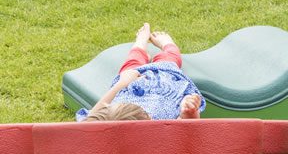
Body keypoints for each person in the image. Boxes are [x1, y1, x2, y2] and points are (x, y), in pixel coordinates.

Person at [76, 23, 205, 122]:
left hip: (129, 86)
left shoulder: (98, 128)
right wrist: (189, 114)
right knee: (169, 59)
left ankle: (140, 43)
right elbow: (186, 133)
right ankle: (168, 45)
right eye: (148, 116)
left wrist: (121, 84)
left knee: (132, 64)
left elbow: (89, 119)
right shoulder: (160, 131)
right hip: (162, 84)